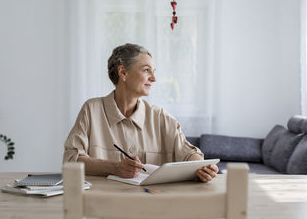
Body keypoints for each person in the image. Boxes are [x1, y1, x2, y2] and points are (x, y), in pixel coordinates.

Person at [63, 43, 218, 182]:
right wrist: (115, 167)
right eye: (146, 70)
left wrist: (204, 168)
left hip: (152, 207)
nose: (154, 78)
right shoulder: (92, 110)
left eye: (153, 71)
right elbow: (71, 160)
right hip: (102, 204)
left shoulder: (160, 116)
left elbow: (189, 154)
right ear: (123, 72)